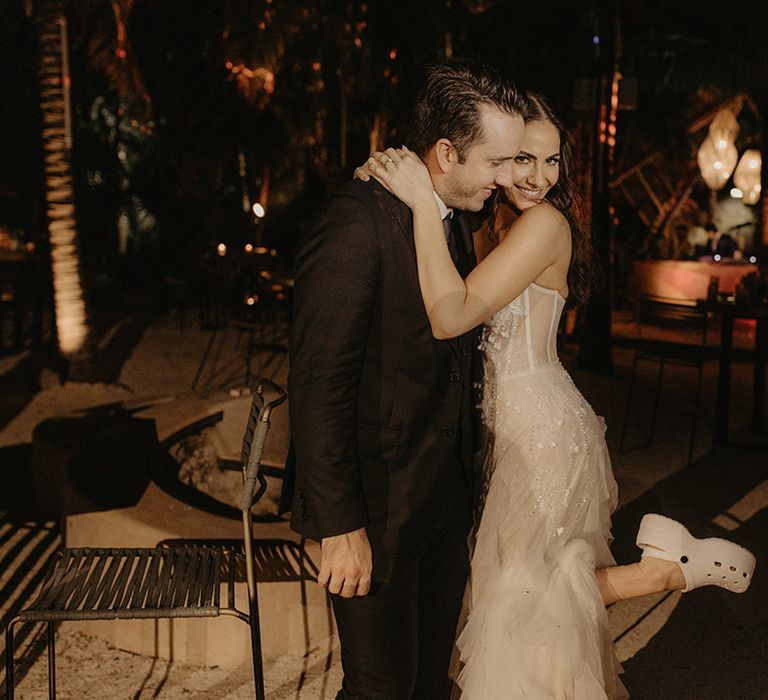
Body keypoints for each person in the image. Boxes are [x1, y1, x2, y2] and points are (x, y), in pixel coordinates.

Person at [357, 91, 756, 698]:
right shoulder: (499, 221)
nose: (541, 178)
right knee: (526, 595)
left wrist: (415, 198)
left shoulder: (544, 225)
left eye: (552, 162)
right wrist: (401, 182)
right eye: (523, 160)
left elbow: (451, 313)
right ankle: (669, 567)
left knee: (520, 604)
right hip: (515, 430)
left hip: (541, 432)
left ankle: (664, 572)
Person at [281, 60, 527, 699]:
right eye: (495, 163)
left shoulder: (456, 217)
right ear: (446, 152)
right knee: (380, 690)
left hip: (441, 502)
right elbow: (318, 383)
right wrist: (339, 527)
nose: (506, 180)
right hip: (376, 507)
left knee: (424, 686)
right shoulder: (356, 223)